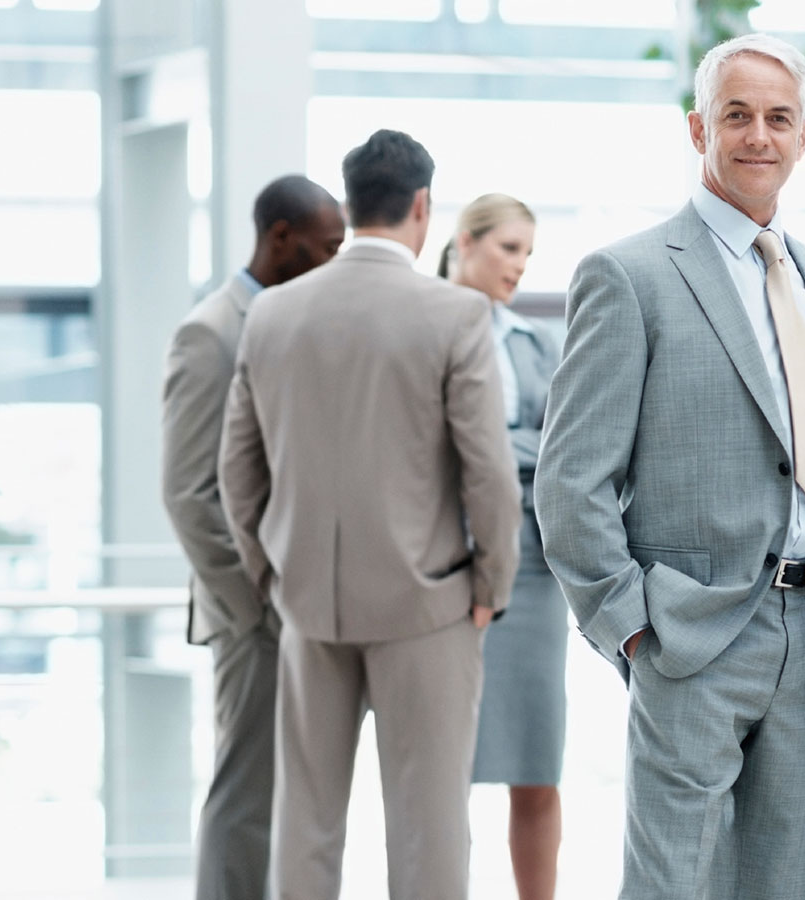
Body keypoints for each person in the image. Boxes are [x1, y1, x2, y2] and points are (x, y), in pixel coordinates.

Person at [535, 33, 805, 900]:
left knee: (784, 883)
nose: (758, 135)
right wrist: (631, 624)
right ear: (698, 129)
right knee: (671, 885)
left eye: (778, 118)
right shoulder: (630, 275)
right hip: (690, 634)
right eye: (737, 116)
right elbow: (572, 480)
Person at [217, 128, 521, 900]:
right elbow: (488, 469)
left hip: (307, 602)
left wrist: (269, 571)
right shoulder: (454, 316)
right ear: (423, 205)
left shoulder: (274, 314)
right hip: (430, 603)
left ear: (350, 206)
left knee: (306, 819)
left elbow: (237, 472)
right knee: (428, 824)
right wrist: (493, 584)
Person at [159, 174, 342, 900]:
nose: (336, 260)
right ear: (280, 239)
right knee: (246, 801)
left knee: (293, 804)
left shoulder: (299, 318)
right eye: (327, 247)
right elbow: (187, 494)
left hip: (301, 609)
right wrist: (255, 607)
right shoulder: (212, 331)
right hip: (252, 618)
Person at [437, 193, 565, 900]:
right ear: (464, 241)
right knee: (438, 765)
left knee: (538, 762)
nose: (518, 267)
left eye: (527, 254)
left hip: (535, 569)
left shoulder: (536, 342)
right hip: (442, 565)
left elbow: (566, 449)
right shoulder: (420, 327)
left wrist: (488, 447)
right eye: (509, 249)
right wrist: (516, 450)